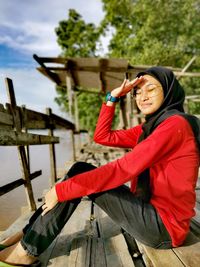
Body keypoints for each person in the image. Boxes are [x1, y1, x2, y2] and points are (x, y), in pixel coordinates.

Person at [0, 66, 199, 266]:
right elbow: (102, 136)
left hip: (163, 228)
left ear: (168, 90)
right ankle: (29, 233)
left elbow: (122, 170)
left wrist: (60, 191)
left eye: (151, 89)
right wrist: (112, 98)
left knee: (75, 182)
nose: (142, 97)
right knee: (80, 169)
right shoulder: (151, 128)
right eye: (137, 92)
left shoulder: (175, 126)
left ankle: (26, 251)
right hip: (150, 212)